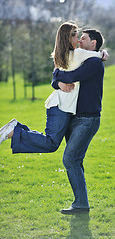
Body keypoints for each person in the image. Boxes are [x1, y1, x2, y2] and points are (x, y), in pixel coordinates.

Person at [0, 22, 107, 153]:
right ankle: (14, 130)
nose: (79, 40)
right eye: (77, 37)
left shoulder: (63, 54)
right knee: (51, 143)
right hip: (61, 105)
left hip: (63, 105)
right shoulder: (78, 54)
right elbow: (96, 56)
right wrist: (103, 53)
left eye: (81, 38)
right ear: (69, 38)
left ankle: (16, 129)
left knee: (51, 142)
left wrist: (57, 79)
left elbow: (55, 79)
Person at [51, 29, 107, 214]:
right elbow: (56, 79)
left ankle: (81, 204)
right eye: (79, 38)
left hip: (87, 119)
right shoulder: (78, 59)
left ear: (94, 44)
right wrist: (57, 78)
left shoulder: (93, 63)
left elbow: (69, 76)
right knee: (76, 160)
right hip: (73, 117)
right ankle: (81, 203)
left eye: (84, 39)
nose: (80, 41)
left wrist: (58, 75)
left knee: (70, 159)